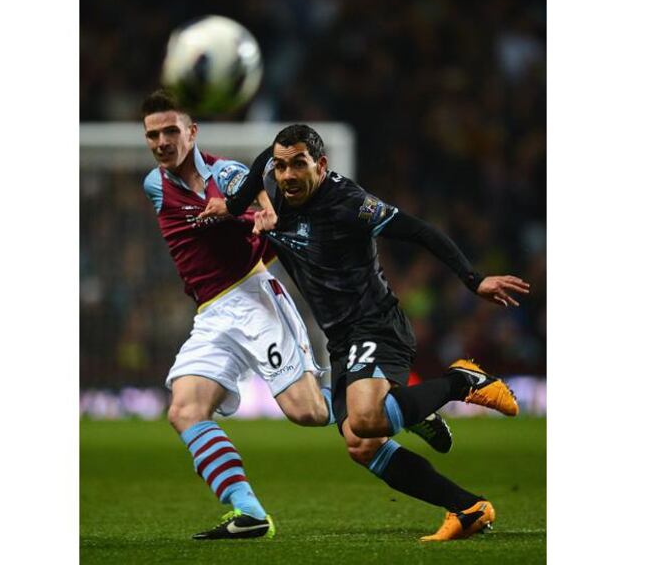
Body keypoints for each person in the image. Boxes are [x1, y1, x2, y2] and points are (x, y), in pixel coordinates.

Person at [203, 124, 531, 541]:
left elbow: (418, 230)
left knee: (367, 418)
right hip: (341, 338)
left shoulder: (350, 204)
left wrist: (474, 279)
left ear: (320, 165)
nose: (286, 176)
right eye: (281, 166)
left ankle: (460, 381)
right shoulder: (270, 177)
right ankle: (468, 508)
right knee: (361, 445)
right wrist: (231, 207)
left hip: (376, 323)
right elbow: (251, 179)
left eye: (298, 165)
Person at [141, 91, 331, 540]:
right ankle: (249, 513)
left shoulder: (224, 173)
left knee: (308, 413)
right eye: (153, 134)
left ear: (192, 132)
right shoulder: (155, 183)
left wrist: (262, 212)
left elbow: (257, 195)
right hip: (211, 314)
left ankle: (384, 398)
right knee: (185, 410)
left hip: (253, 298)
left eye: (172, 131)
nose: (162, 141)